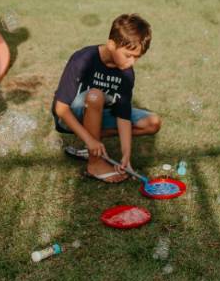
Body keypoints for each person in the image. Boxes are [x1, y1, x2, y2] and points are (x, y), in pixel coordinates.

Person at [52, 13, 162, 182]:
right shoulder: (83, 59)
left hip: (98, 113)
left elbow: (123, 116)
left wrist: (126, 156)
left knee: (152, 123)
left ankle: (92, 147)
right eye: (128, 55)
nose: (132, 62)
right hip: (70, 118)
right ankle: (94, 164)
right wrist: (89, 139)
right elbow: (61, 108)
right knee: (95, 96)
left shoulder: (126, 73)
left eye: (137, 57)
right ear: (111, 44)